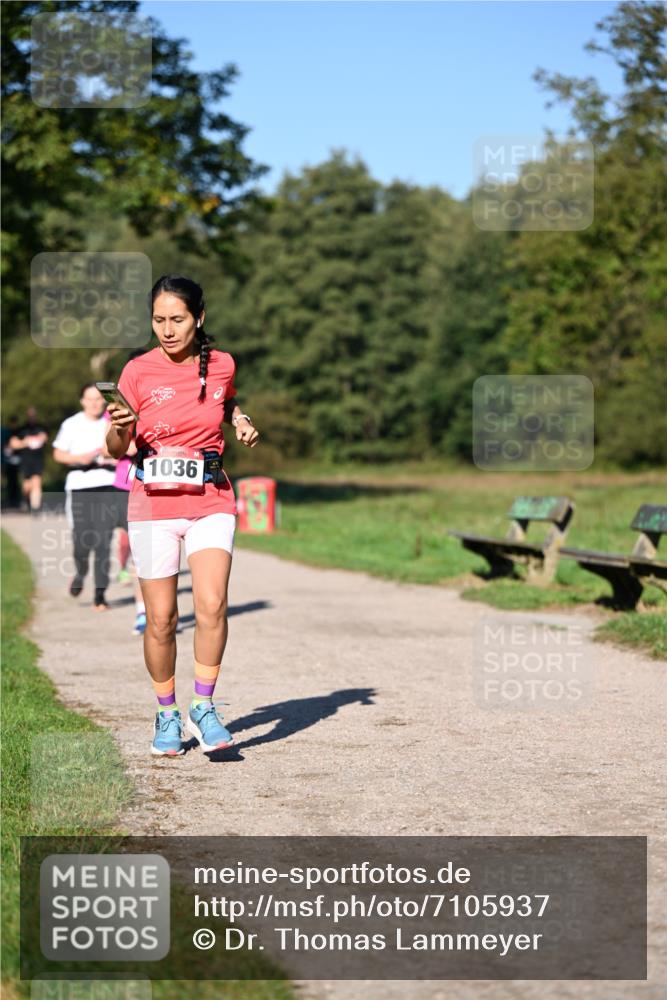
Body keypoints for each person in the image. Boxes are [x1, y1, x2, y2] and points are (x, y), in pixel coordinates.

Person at [105, 275, 259, 757]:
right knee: (162, 619)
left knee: (212, 605)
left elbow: (224, 396)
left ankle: (204, 707)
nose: (167, 330)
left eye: (177, 319)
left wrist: (239, 418)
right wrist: (119, 430)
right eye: (158, 320)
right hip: (152, 503)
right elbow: (115, 450)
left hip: (211, 496)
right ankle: (167, 712)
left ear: (199, 318)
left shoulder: (223, 364)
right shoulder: (136, 372)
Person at [53, 385, 118, 610]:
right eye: (89, 399)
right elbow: (58, 454)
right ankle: (80, 572)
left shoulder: (112, 423)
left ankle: (100, 596)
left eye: (98, 399)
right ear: (82, 401)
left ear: (104, 401)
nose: (94, 403)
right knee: (82, 542)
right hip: (80, 486)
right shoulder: (71, 424)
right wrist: (79, 458)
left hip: (107, 486)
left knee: (103, 542)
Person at [10, 406, 48, 512]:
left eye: (34, 415)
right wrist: (24, 443)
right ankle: (27, 501)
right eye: (30, 415)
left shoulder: (41, 428)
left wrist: (42, 438)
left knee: (36, 483)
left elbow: (46, 438)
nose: (32, 417)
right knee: (27, 486)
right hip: (26, 460)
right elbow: (13, 444)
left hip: (38, 459)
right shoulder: (22, 429)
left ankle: (35, 507)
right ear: (27, 416)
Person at [1, 415, 22, 509]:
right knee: (10, 481)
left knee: (13, 481)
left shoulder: (7, 431)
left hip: (10, 460)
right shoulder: (6, 431)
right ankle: (12, 500)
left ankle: (14, 500)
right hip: (6, 460)